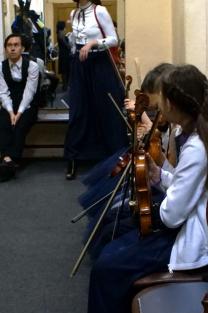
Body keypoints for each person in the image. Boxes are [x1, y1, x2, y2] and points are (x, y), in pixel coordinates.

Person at [85, 64, 208, 313]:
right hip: (195, 223)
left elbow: (171, 215)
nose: (158, 107)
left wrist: (159, 191)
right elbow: (187, 187)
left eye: (161, 101)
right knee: (116, 251)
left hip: (199, 242)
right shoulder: (204, 132)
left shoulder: (199, 146)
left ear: (172, 104)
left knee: (109, 266)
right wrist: (159, 177)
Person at [64, 0, 128, 179]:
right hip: (80, 64)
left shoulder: (100, 11)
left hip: (100, 63)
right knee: (77, 110)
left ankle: (116, 158)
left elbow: (114, 39)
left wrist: (93, 43)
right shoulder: (73, 14)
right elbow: (75, 42)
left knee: (108, 109)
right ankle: (73, 158)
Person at [0, 33, 39, 182]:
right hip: (9, 101)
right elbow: (3, 92)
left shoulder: (32, 66)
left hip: (28, 104)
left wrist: (19, 112)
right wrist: (10, 111)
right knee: (4, 123)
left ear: (22, 48)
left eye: (16, 45)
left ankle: (7, 159)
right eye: (9, 45)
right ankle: (9, 161)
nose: (12, 48)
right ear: (5, 49)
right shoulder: (1, 67)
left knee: (20, 125)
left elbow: (29, 92)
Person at [56, 21, 71, 91]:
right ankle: (65, 86)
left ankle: (65, 86)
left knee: (64, 71)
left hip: (62, 54)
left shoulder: (59, 33)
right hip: (65, 54)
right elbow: (66, 45)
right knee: (65, 70)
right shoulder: (61, 33)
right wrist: (70, 45)